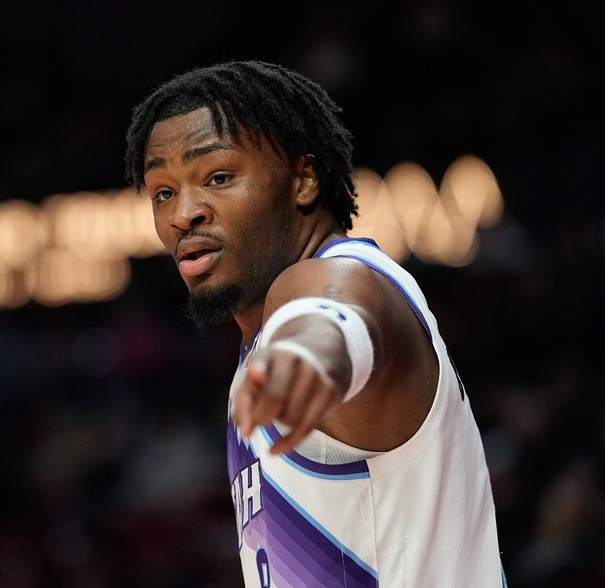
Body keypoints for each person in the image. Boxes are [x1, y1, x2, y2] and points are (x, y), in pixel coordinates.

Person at [124, 60, 505, 587]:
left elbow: (342, 303)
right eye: (163, 191)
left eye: (218, 177)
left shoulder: (332, 280)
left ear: (303, 181)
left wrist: (313, 345)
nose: (182, 213)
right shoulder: (253, 358)